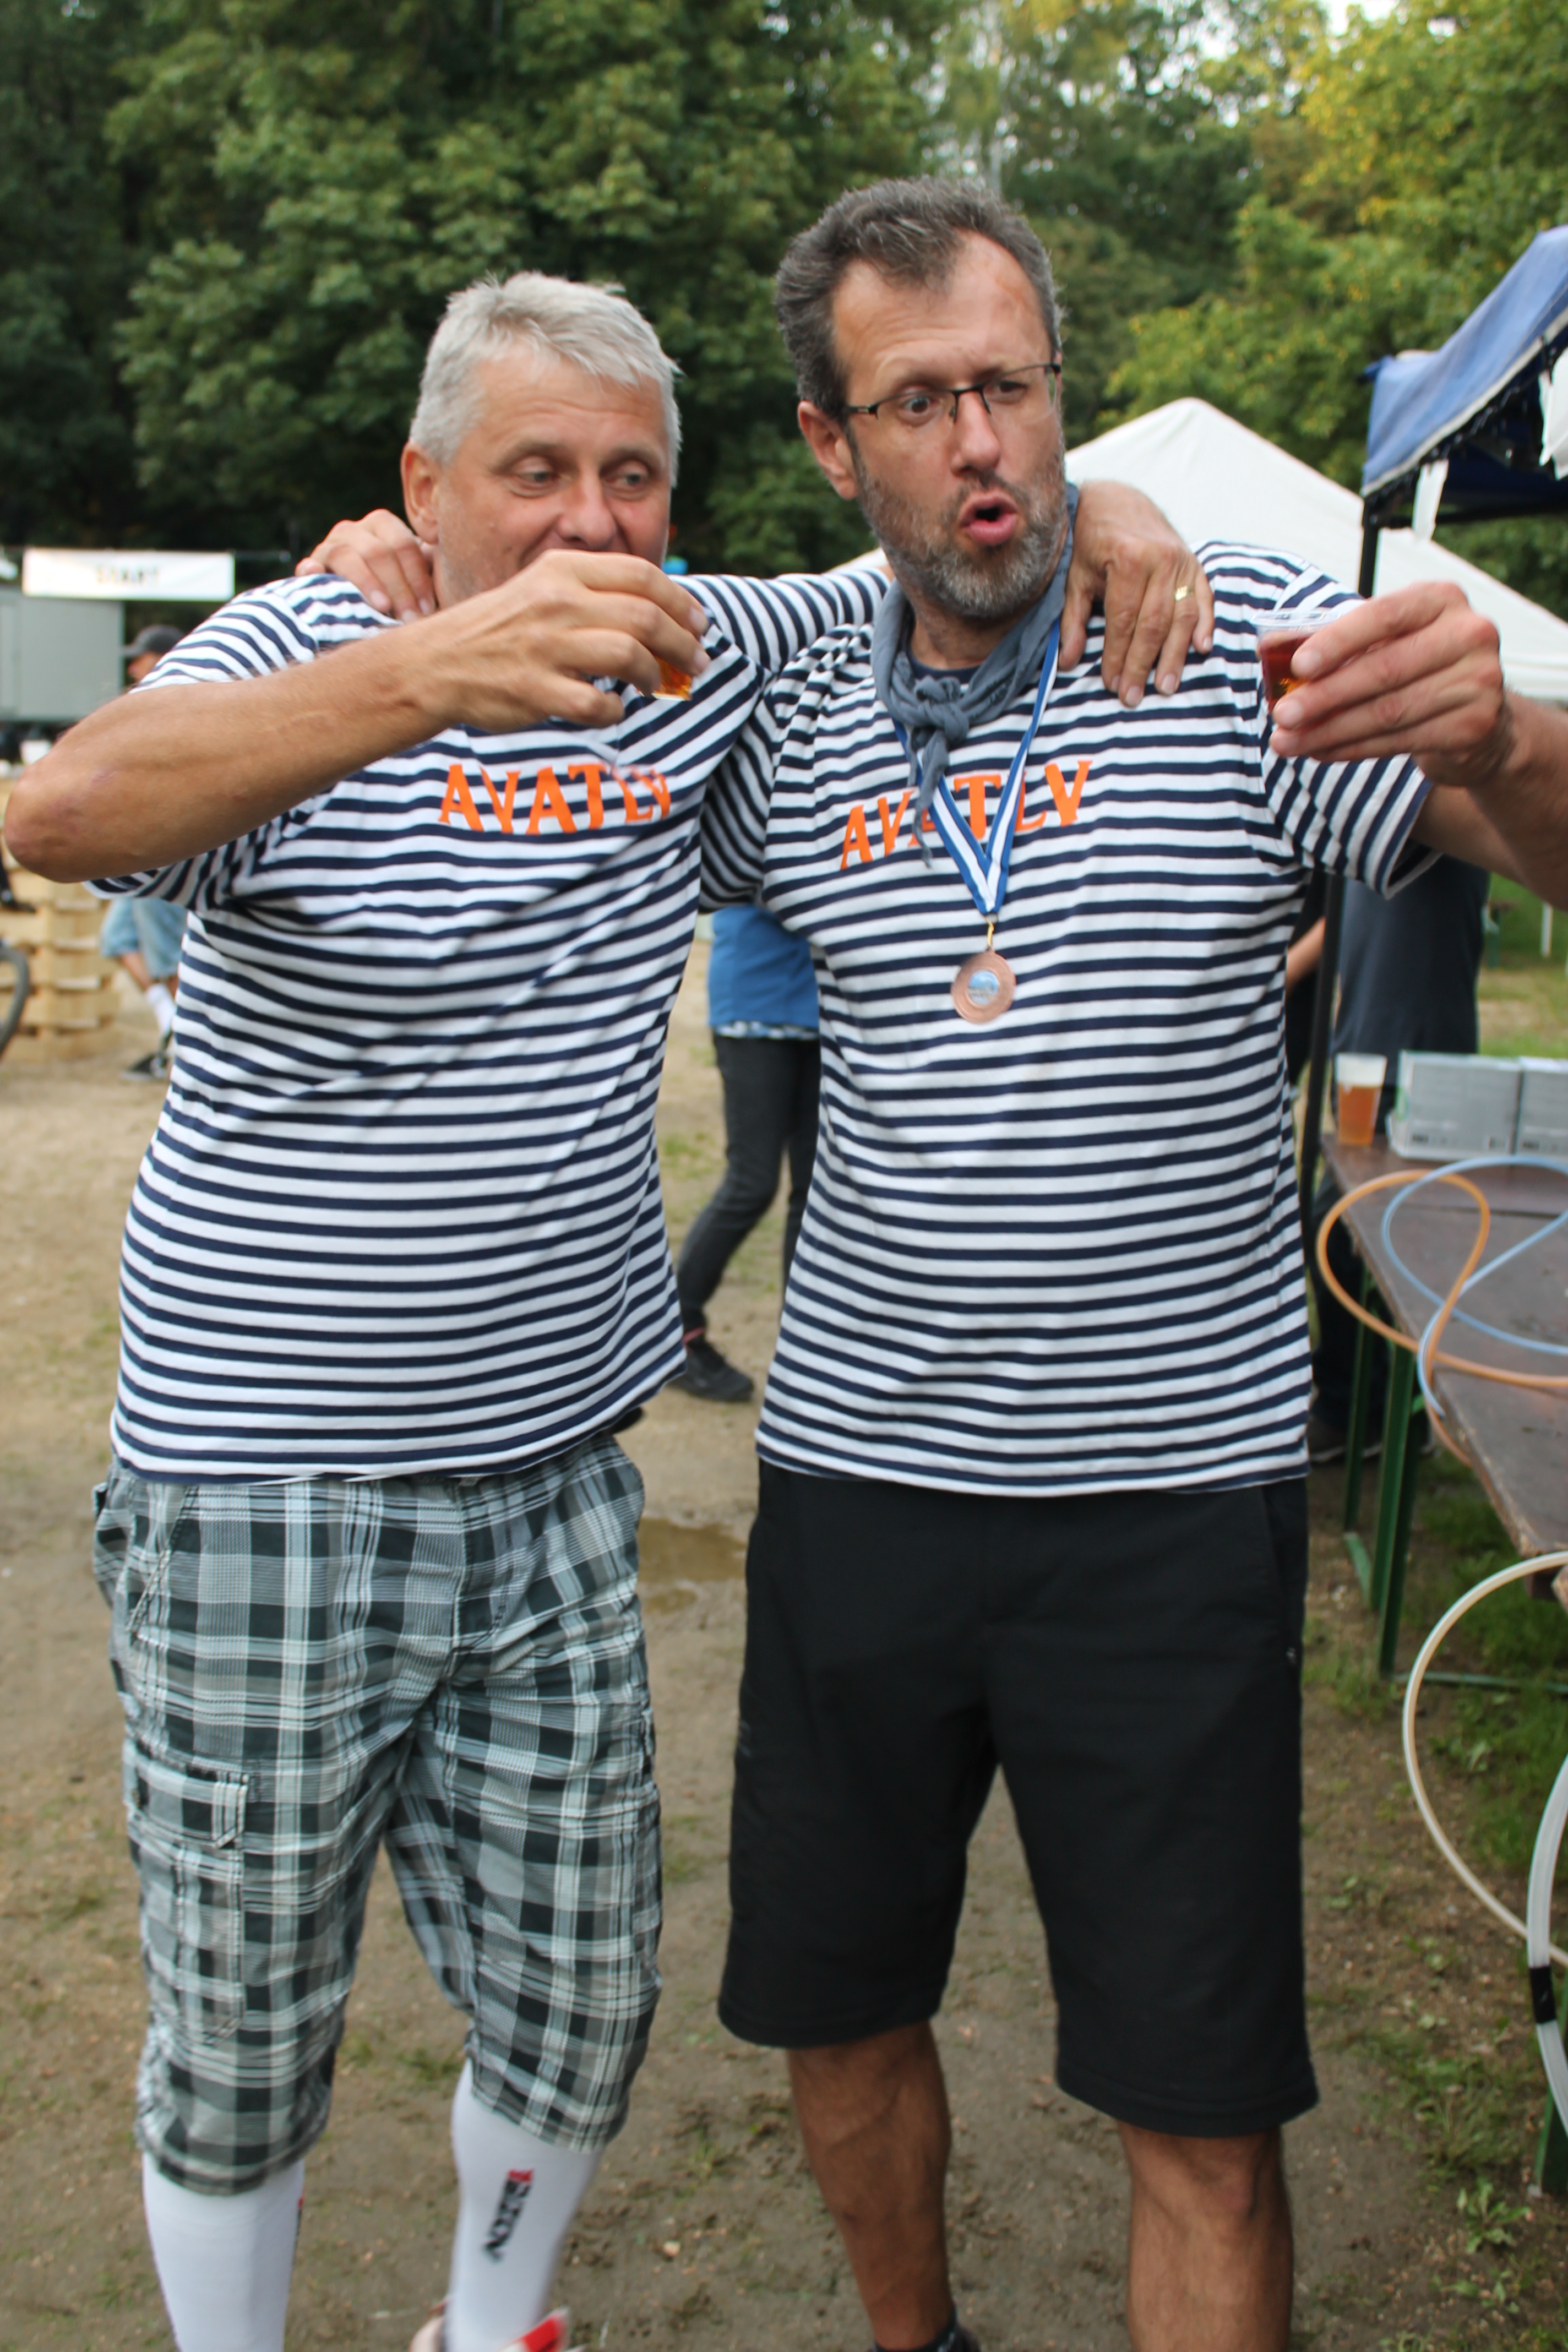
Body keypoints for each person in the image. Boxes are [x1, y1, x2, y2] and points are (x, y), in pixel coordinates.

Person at [5, 262, 1205, 2352]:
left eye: (629, 475)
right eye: (533, 470)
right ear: (424, 486)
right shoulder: (311, 635)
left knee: (578, 1992)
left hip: (555, 1477)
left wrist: (1113, 504)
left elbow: (953, 547)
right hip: (264, 1478)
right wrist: (425, 668)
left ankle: (492, 2331)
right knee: (249, 2013)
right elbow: (63, 808)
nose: (587, 519)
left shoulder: (702, 647)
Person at [690, 177, 1568, 2352]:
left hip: (1167, 1506)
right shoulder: (780, 688)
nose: (981, 441)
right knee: (834, 2006)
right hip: (863, 1491)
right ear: (829, 443)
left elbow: (1526, 835)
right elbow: (548, 610)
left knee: (1200, 2109)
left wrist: (1501, 739)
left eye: (1012, 385)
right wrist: (378, 571)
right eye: (918, 403)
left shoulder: (1231, 638)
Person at [1304, 856, 1491, 1463]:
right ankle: (1378, 1407)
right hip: (1362, 1059)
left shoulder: (1430, 828)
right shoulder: (1361, 843)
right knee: (1343, 1236)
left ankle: (1368, 1412)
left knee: (1355, 1238)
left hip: (1416, 1065)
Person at [670, 900, 821, 1402]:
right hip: (754, 1007)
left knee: (813, 1192)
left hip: (818, 1010)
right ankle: (679, 1330)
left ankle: (803, 1347)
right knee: (753, 1182)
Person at [101, 623, 188, 1079]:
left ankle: (184, 1046)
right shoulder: (144, 699)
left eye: (142, 657)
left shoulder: (182, 697)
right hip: (136, 849)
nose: (133, 666)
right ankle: (170, 1029)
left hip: (167, 846)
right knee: (116, 939)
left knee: (168, 955)